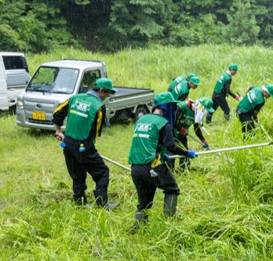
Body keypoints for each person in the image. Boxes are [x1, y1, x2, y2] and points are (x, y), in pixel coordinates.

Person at [128, 92, 197, 229]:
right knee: (172, 188)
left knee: (145, 201)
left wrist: (160, 153)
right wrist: (186, 153)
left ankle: (139, 228)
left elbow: (147, 140)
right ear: (167, 107)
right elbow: (172, 146)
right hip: (151, 165)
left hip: (135, 167)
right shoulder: (163, 123)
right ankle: (170, 224)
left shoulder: (142, 119)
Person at [53, 78, 120, 209]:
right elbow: (96, 133)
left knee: (77, 174)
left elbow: (57, 113)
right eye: (108, 93)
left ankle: (80, 203)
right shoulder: (99, 107)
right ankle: (102, 204)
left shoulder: (74, 98)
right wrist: (88, 147)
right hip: (84, 146)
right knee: (102, 172)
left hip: (67, 144)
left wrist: (58, 131)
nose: (108, 96)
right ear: (101, 90)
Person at [172, 97, 215, 169]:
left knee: (185, 154)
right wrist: (180, 128)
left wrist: (203, 140)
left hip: (182, 135)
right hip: (172, 134)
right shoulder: (182, 106)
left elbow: (197, 129)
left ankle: (184, 172)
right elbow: (173, 121)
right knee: (172, 154)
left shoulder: (196, 113)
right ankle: (169, 172)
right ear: (201, 107)